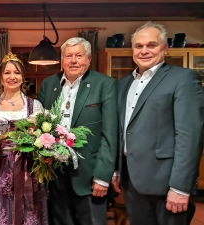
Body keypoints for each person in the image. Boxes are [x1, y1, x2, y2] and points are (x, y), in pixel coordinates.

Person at [111, 21, 204, 225]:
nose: (144, 51)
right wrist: (118, 169)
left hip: (167, 183)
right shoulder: (123, 84)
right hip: (132, 180)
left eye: (151, 45)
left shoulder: (183, 79)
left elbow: (189, 137)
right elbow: (122, 131)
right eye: (139, 46)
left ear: (165, 48)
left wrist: (180, 187)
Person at [38, 37, 118, 225]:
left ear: (89, 59)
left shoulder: (104, 84)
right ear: (62, 60)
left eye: (79, 55)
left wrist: (103, 176)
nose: (73, 60)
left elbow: (110, 135)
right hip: (56, 174)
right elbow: (41, 128)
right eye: (68, 56)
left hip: (89, 176)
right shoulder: (49, 84)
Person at [0, 52, 47, 225]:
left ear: (23, 77)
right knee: (1, 207)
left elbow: (42, 137)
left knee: (27, 210)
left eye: (16, 73)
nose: (12, 77)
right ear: (0, 77)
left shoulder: (34, 105)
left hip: (27, 166)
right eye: (7, 73)